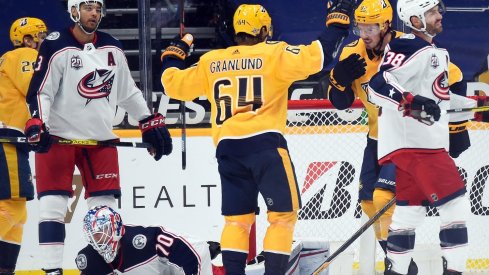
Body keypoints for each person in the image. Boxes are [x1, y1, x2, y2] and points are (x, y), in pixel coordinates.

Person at [160, 1, 356, 274]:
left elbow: (171, 84)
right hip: (265, 145)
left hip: (228, 149)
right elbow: (321, 55)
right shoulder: (274, 53)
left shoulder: (211, 61)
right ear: (264, 30)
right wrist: (338, 21)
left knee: (236, 222)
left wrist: (173, 55)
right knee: (282, 217)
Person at [24, 1, 173, 274]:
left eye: (97, 8)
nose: (94, 13)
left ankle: (104, 268)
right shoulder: (56, 45)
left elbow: (127, 91)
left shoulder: (112, 47)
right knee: (52, 208)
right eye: (87, 7)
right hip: (59, 140)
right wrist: (38, 123)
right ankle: (51, 270)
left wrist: (146, 121)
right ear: (73, 11)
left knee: (105, 215)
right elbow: (40, 91)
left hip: (100, 142)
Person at [328, 1, 469, 273]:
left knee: (385, 198)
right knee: (369, 203)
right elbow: (340, 102)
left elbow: (455, 78)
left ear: (386, 25)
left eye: (371, 27)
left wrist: (457, 126)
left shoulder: (407, 47)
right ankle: (401, 264)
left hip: (407, 139)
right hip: (377, 138)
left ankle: (400, 265)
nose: (364, 34)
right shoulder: (352, 52)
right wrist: (338, 79)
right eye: (360, 27)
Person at [367, 0, 478, 274]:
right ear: (415, 20)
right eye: (431, 12)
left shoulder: (433, 51)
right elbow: (377, 85)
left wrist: (477, 109)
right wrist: (409, 99)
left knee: (409, 212)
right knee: (456, 207)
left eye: (438, 10)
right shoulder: (408, 46)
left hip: (417, 146)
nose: (439, 15)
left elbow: (438, 100)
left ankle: (396, 270)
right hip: (419, 147)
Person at [0, 17, 47, 275]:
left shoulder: (9, 58)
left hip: (11, 138)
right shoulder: (25, 54)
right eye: (40, 35)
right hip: (6, 137)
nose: (44, 39)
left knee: (18, 213)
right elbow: (36, 90)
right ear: (27, 39)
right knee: (11, 206)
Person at [76, 205, 214, 275]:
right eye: (93, 235)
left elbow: (197, 250)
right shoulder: (89, 260)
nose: (97, 239)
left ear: (115, 227)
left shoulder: (145, 240)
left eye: (101, 231)